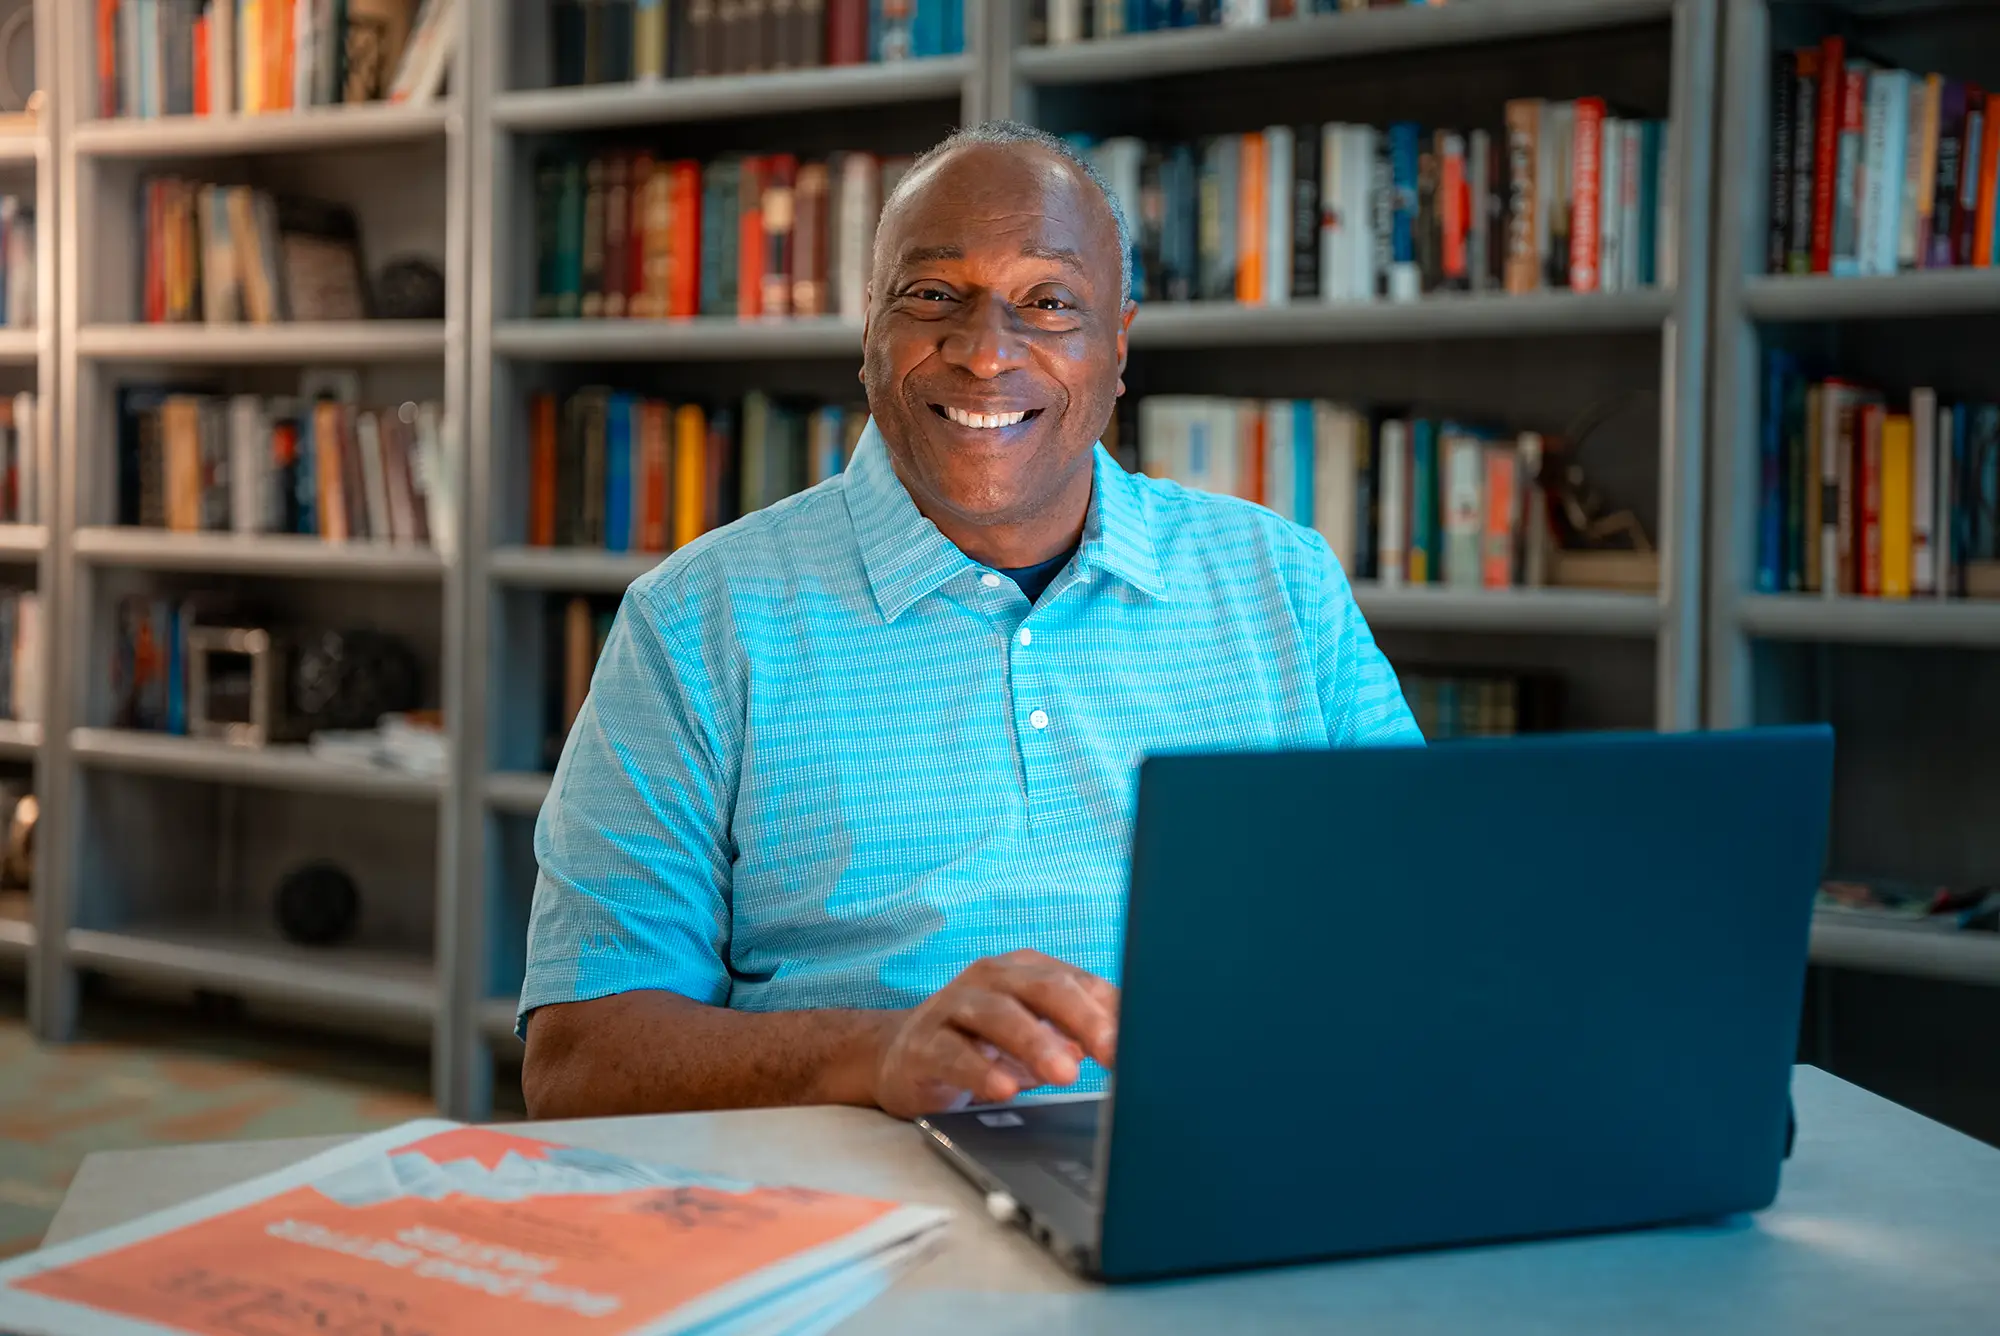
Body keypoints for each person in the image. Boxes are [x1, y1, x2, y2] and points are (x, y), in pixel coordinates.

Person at [519, 121, 1421, 1122]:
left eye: (1047, 302)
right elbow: (576, 1059)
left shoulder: (1280, 583)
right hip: (858, 1190)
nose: (986, 353)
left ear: (1115, 347)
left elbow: (1427, 918)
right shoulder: (696, 623)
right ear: (869, 333)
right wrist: (873, 1053)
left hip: (1241, 1144)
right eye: (934, 296)